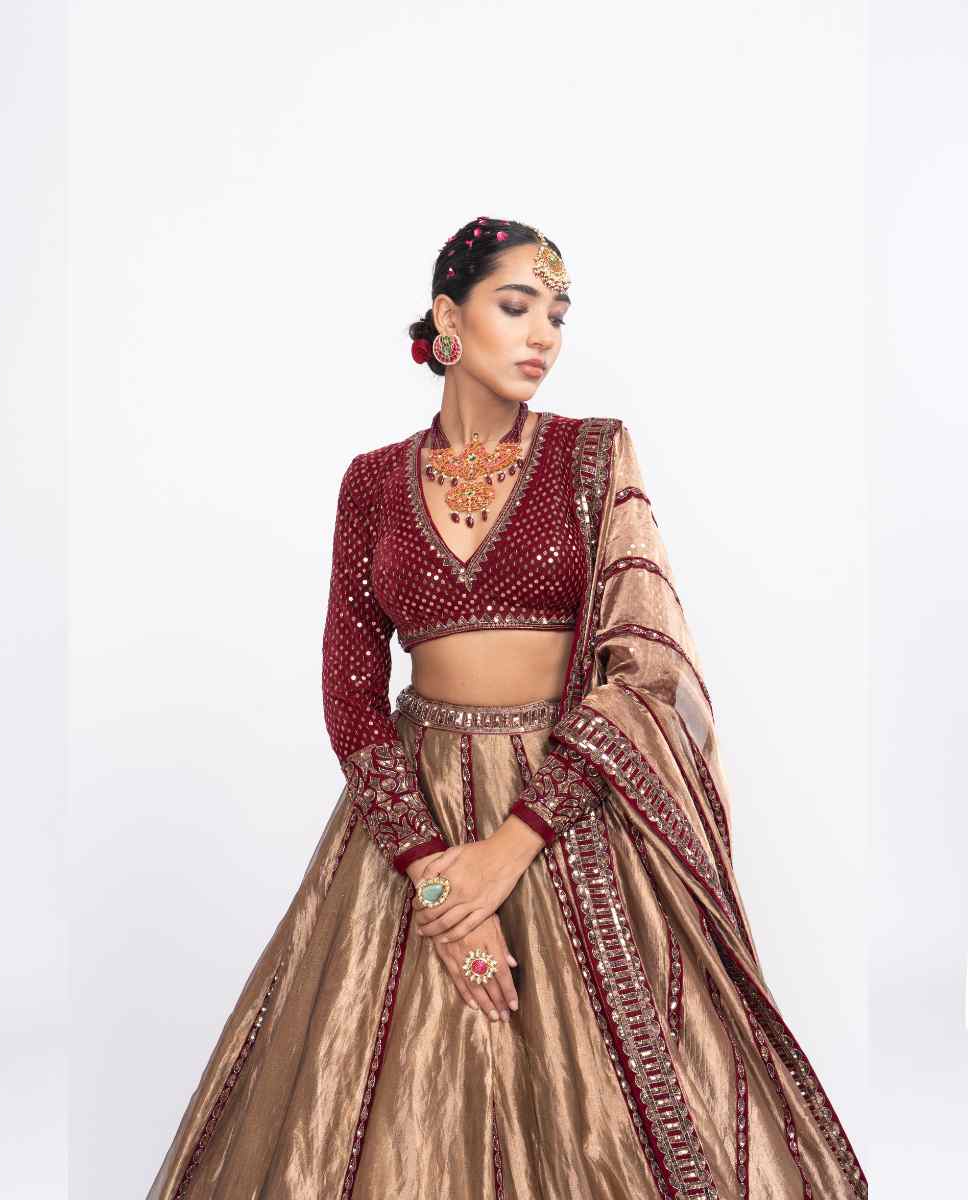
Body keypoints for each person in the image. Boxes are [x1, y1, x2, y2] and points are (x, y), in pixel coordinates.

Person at [146, 218, 867, 1199]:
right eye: (516, 306)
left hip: (570, 811)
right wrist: (438, 885)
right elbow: (350, 693)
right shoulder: (372, 482)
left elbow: (641, 669)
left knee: (613, 1110)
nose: (543, 336)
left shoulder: (590, 455)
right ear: (448, 316)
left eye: (557, 316)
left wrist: (506, 851)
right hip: (412, 819)